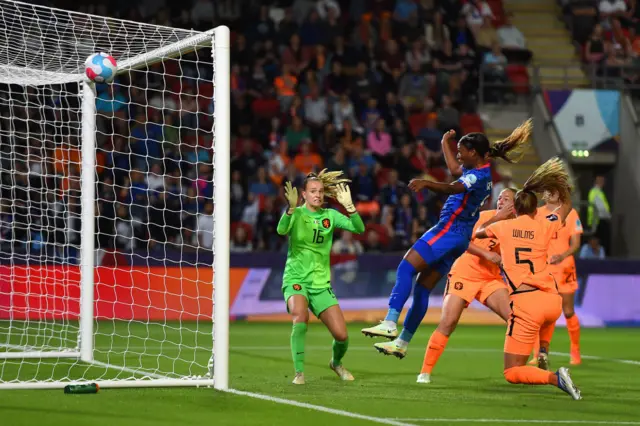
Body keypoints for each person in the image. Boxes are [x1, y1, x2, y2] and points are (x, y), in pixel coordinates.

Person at [361, 119, 533, 358]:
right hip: (459, 240)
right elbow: (454, 171)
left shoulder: (477, 177)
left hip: (449, 230)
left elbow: (454, 188)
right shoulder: (479, 171)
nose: (459, 156)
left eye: (462, 152)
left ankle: (390, 322)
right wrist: (445, 143)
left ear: (474, 152)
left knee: (405, 268)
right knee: (422, 289)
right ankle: (401, 343)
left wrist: (426, 183)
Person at [475, 158, 582, 400]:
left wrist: (499, 217)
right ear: (536, 209)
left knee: (512, 371)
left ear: (515, 209)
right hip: (552, 301)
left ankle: (556, 378)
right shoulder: (545, 224)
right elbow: (565, 206)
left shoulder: (503, 227)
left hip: (526, 302)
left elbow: (478, 233)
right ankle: (543, 348)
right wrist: (561, 185)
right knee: (547, 317)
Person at [417, 188, 516, 383]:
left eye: (506, 199)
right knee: (449, 321)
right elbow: (462, 241)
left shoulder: (517, 225)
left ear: (515, 204)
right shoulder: (484, 217)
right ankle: (425, 372)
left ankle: (525, 363)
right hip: (466, 273)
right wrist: (488, 252)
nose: (500, 201)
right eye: (500, 198)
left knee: (516, 319)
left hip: (491, 278)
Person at [277, 169, 365, 385]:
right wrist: (289, 209)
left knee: (342, 336)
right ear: (304, 195)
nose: (317, 195)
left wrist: (350, 207)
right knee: (300, 316)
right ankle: (299, 373)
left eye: (321, 191)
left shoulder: (330, 216)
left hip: (321, 284)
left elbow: (359, 228)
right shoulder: (296, 214)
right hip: (295, 279)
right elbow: (281, 230)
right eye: (313, 191)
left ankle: (336, 363)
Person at [529, 190, 584, 367]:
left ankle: (575, 350)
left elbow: (576, 243)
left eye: (553, 190)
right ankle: (538, 354)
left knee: (568, 311)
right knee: (539, 314)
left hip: (564, 267)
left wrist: (562, 255)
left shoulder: (570, 212)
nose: (550, 193)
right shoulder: (537, 213)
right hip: (543, 268)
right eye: (547, 190)